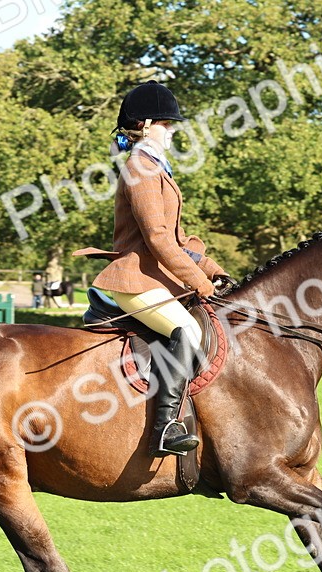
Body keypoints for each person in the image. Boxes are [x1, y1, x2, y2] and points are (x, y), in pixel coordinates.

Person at [74, 80, 231, 456]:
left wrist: (214, 270)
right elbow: (158, 240)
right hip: (134, 280)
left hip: (154, 278)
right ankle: (165, 429)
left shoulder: (156, 168)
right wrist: (199, 283)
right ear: (146, 125)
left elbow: (176, 240)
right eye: (167, 125)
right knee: (188, 330)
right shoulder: (140, 168)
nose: (173, 131)